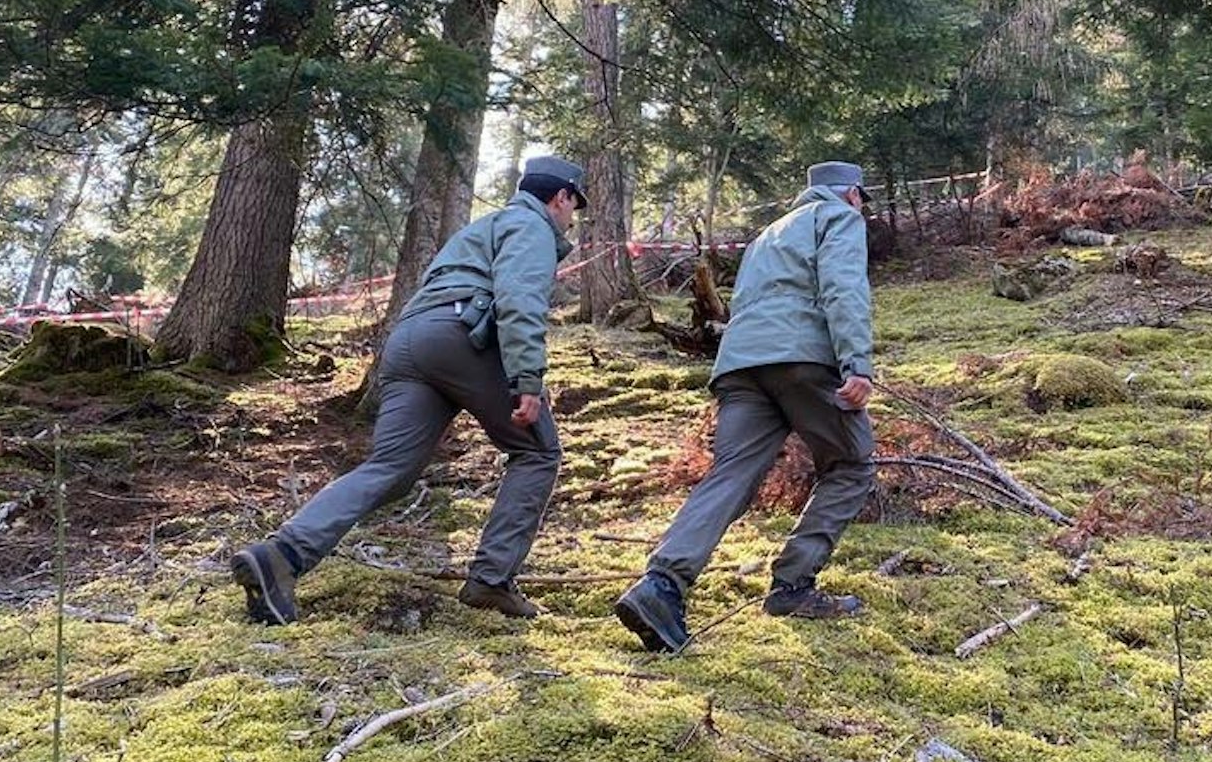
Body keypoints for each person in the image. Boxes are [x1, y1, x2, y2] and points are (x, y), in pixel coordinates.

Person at [230, 155, 586, 624]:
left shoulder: (483, 227)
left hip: (408, 342)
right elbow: (519, 299)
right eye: (573, 207)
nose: (571, 218)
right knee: (538, 452)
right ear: (560, 196)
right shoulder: (531, 226)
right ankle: (491, 580)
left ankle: (281, 557)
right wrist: (527, 379)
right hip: (464, 338)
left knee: (391, 469)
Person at [614, 161, 878, 652]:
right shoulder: (839, 219)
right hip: (802, 360)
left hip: (741, 365)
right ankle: (793, 586)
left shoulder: (768, 235)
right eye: (861, 199)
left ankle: (662, 586)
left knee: (730, 475)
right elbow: (844, 288)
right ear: (852, 195)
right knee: (852, 463)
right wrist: (856, 363)